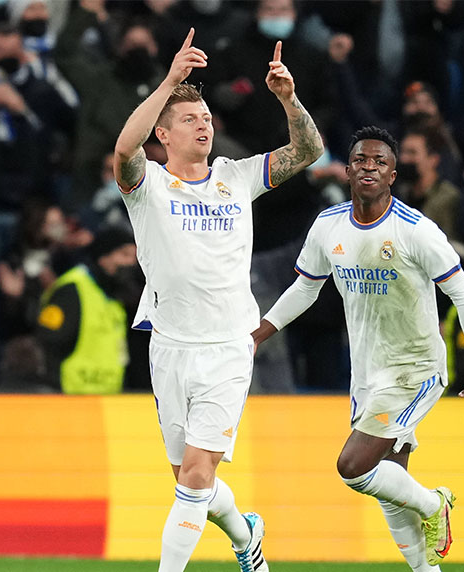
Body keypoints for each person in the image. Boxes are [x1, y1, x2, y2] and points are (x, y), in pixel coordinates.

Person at [113, 29, 323, 571]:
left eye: (207, 118)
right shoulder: (147, 185)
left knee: (197, 477)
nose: (203, 123)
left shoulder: (238, 177)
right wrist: (170, 82)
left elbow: (309, 151)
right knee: (189, 480)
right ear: (164, 132)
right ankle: (245, 532)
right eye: (190, 118)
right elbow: (123, 148)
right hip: (169, 346)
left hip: (229, 346)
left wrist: (288, 99)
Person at [251, 126, 464, 570]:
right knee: (390, 479)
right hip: (368, 374)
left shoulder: (416, 231)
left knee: (354, 467)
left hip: (415, 368)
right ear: (347, 170)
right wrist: (259, 334)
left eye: (379, 162)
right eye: (361, 160)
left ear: (393, 174)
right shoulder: (328, 226)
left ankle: (436, 504)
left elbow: (463, 294)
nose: (369, 168)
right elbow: (305, 288)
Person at [36, 227, 138, 395]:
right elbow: (49, 346)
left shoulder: (114, 296)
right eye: (124, 255)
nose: (130, 263)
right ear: (103, 256)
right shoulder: (72, 289)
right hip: (72, 400)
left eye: (133, 257)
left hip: (108, 402)